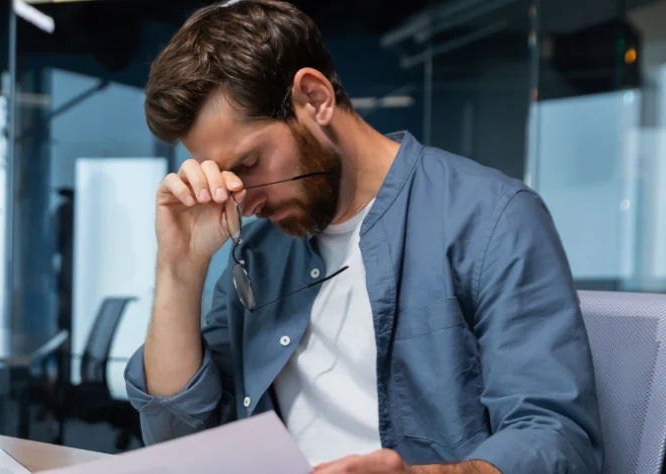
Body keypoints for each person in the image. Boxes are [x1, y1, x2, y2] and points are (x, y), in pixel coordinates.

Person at [123, 1, 604, 473]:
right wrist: (179, 268)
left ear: (315, 98)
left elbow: (557, 442)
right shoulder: (259, 254)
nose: (245, 202)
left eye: (249, 165)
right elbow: (178, 443)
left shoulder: (490, 218)